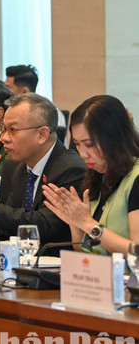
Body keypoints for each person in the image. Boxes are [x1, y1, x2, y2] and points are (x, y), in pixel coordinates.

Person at [0, 93, 86, 247]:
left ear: (42, 134)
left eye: (13, 130)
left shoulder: (70, 168)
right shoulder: (15, 166)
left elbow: (44, 225)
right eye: (3, 129)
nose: (3, 138)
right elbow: (10, 226)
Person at [42, 95, 139, 255]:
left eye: (89, 144)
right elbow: (83, 250)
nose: (83, 154)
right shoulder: (97, 175)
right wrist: (74, 222)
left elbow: (137, 251)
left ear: (116, 137)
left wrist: (88, 223)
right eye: (78, 144)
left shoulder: (135, 178)